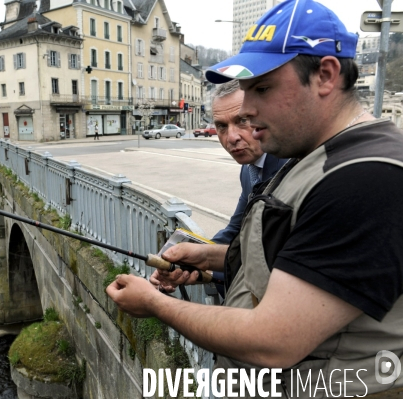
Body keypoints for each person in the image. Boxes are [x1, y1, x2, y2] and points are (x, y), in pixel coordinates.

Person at [107, 0, 403, 396]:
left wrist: (155, 304)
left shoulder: (364, 177)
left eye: (261, 88)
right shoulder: (318, 158)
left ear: (325, 75)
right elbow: (299, 255)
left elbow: (273, 340)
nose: (248, 109)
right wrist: (211, 256)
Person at [150, 80, 287, 295]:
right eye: (221, 126)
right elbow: (236, 229)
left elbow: (273, 256)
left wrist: (208, 264)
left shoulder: (288, 165)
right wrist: (191, 259)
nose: (231, 137)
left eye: (242, 120)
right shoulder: (249, 168)